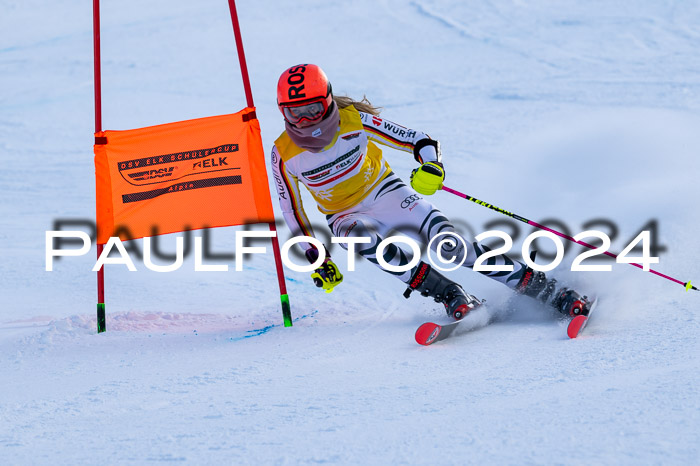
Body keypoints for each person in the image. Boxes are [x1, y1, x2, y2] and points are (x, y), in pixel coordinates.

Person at [270, 64, 591, 320]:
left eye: (312, 108)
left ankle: (551, 292)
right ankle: (452, 295)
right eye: (294, 112)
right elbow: (292, 210)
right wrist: (316, 256)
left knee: (449, 246)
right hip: (343, 214)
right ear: (283, 111)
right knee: (368, 243)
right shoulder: (283, 154)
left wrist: (432, 165)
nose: (305, 120)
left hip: (386, 193)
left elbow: (417, 140)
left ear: (327, 101)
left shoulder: (355, 122)